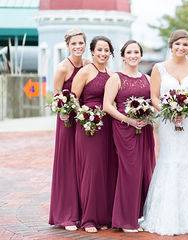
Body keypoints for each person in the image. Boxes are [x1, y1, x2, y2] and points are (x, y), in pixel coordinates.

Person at [141, 29, 188, 235]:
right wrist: (167, 110)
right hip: (168, 123)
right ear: (171, 46)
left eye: (185, 45)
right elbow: (154, 96)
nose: (181, 48)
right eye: (177, 44)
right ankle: (166, 217)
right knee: (170, 161)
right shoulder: (158, 68)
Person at [103, 40, 155, 232]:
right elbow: (107, 105)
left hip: (145, 130)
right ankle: (125, 219)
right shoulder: (115, 78)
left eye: (136, 52)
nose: (133, 55)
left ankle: (139, 214)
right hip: (125, 130)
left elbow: (153, 102)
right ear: (123, 56)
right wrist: (128, 120)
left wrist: (149, 117)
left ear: (141, 56)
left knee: (144, 170)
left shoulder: (148, 79)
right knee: (129, 172)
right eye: (129, 52)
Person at [71, 36, 117, 233]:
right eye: (99, 49)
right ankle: (89, 218)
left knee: (106, 170)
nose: (103, 53)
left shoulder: (111, 73)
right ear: (92, 51)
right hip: (88, 127)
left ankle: (103, 216)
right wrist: (84, 116)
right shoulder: (85, 71)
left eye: (107, 50)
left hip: (108, 126)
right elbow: (73, 99)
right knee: (91, 171)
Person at [49, 28, 88, 231]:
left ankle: (84, 212)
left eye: (81, 43)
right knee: (67, 163)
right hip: (68, 120)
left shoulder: (89, 64)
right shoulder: (63, 68)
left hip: (86, 119)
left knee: (82, 164)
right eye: (74, 44)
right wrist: (62, 111)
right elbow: (56, 95)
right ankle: (66, 214)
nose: (78, 46)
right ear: (68, 46)